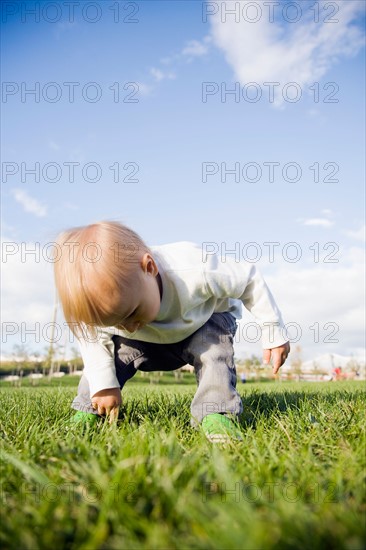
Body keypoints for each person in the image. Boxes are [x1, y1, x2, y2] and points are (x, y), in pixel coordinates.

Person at [54, 221, 290, 442]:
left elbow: (248, 279)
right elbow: (93, 344)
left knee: (214, 350)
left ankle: (215, 412)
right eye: (116, 323)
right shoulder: (121, 320)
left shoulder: (194, 268)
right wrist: (104, 386)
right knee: (109, 358)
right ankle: (90, 410)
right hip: (144, 343)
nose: (129, 326)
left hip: (203, 321)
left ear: (150, 267)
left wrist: (272, 330)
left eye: (132, 312)